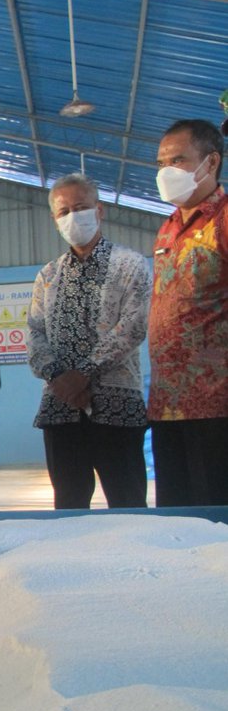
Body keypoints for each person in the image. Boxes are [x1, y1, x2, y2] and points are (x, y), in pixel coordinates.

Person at [26, 173, 151, 509]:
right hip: (60, 408)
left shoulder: (130, 265)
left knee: (127, 503)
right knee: (68, 507)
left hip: (116, 405)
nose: (72, 216)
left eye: (80, 207)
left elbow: (133, 326)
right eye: (64, 211)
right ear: (54, 220)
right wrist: (58, 377)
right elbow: (35, 333)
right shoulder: (48, 276)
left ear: (99, 210)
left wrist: (82, 374)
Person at [149, 118, 228, 506]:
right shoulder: (167, 229)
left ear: (210, 162)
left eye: (178, 160)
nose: (166, 172)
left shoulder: (224, 219)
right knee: (176, 523)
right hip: (168, 405)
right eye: (162, 163)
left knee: (215, 523)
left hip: (216, 405)